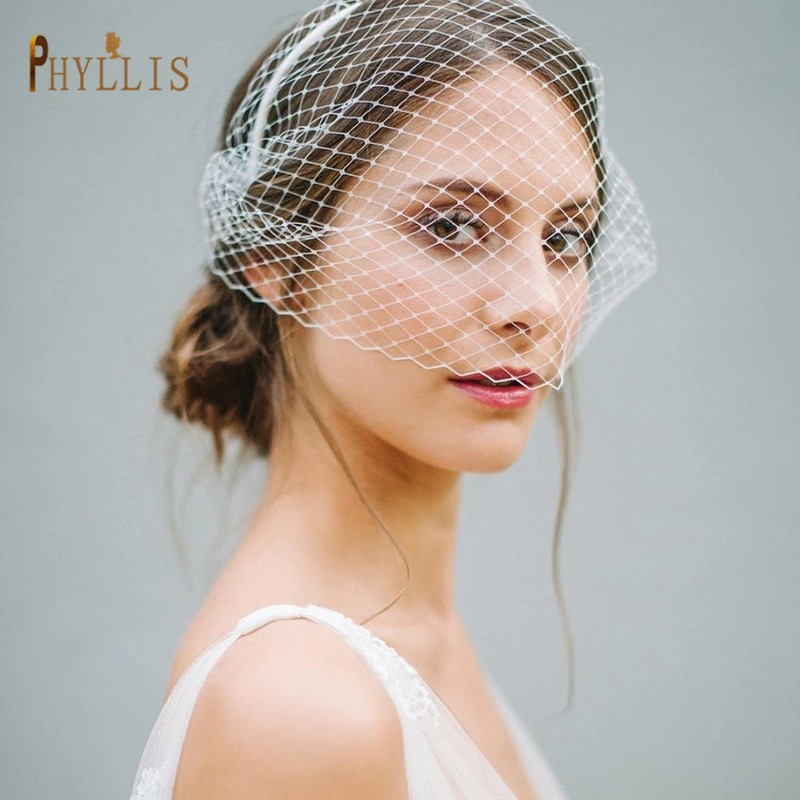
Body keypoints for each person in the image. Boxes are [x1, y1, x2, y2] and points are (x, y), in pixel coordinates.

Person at [129, 0, 656, 797]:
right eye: (453, 226)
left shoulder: (414, 632)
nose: (536, 304)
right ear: (274, 252)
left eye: (564, 238)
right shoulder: (296, 709)